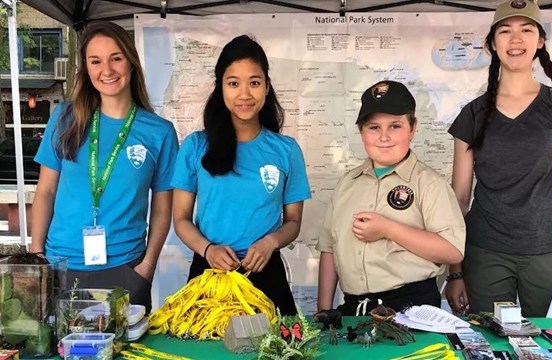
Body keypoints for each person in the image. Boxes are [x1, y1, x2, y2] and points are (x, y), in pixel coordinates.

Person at [445, 0, 552, 318]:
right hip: (484, 253)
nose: (516, 39)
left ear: (540, 41)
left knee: (549, 344)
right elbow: (458, 200)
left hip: (548, 252)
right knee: (488, 344)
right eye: (505, 30)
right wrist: (455, 272)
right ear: (492, 43)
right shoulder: (472, 113)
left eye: (526, 30)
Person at [30, 21, 179, 313]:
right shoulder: (65, 118)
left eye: (116, 58)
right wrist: (38, 259)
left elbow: (162, 208)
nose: (106, 70)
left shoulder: (159, 132)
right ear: (86, 68)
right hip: (60, 265)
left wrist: (146, 267)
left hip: (125, 268)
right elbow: (45, 190)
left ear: (132, 63)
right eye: (95, 61)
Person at [171, 35, 311, 316]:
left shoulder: (286, 150)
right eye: (233, 83)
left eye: (254, 83)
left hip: (265, 273)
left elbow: (293, 221)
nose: (244, 94)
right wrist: (208, 250)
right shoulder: (195, 146)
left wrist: (270, 241)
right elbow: (181, 219)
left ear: (267, 87)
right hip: (210, 273)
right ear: (220, 87)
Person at [317, 80, 466, 315]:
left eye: (395, 126)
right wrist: (324, 310)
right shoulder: (347, 184)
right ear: (361, 132)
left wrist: (388, 229)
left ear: (413, 127)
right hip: (355, 308)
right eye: (373, 127)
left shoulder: (429, 184)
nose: (384, 136)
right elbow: (329, 249)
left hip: (413, 309)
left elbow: (452, 250)